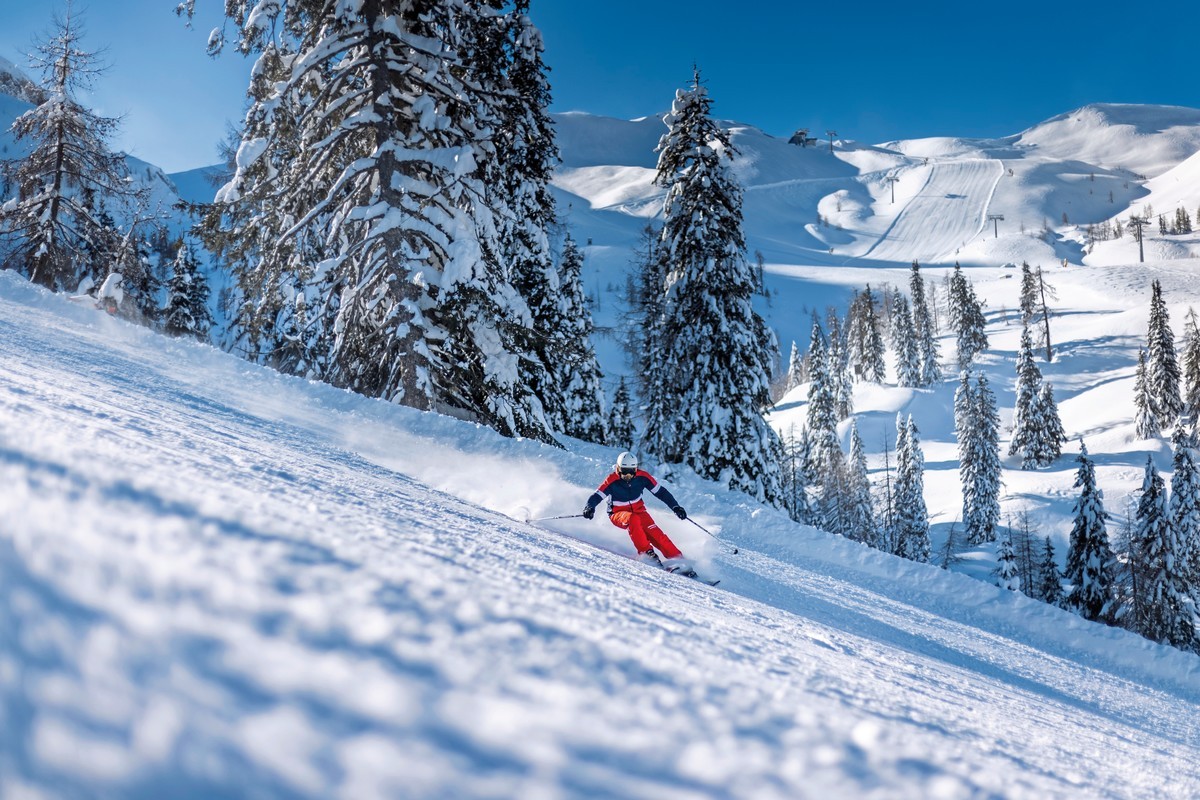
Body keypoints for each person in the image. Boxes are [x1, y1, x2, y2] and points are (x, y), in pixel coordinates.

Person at [582, 452, 694, 574]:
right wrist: (590, 506)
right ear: (618, 468)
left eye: (631, 471)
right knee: (632, 519)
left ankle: (679, 560)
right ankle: (646, 553)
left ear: (636, 469)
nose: (628, 475)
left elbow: (661, 492)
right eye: (624, 471)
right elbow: (596, 496)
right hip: (618, 513)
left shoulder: (643, 477)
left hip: (640, 511)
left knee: (657, 534)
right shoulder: (611, 480)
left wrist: (675, 507)